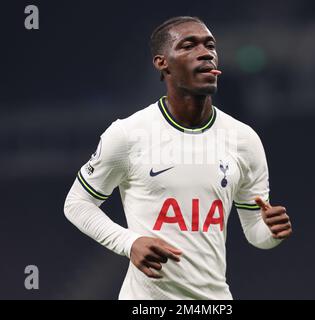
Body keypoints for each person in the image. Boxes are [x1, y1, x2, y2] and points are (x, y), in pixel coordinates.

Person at [64, 16, 292, 300]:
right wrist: (129, 242)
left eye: (210, 45)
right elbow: (77, 203)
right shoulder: (128, 134)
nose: (206, 52)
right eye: (189, 45)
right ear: (162, 63)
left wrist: (270, 232)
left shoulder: (243, 140)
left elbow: (255, 232)